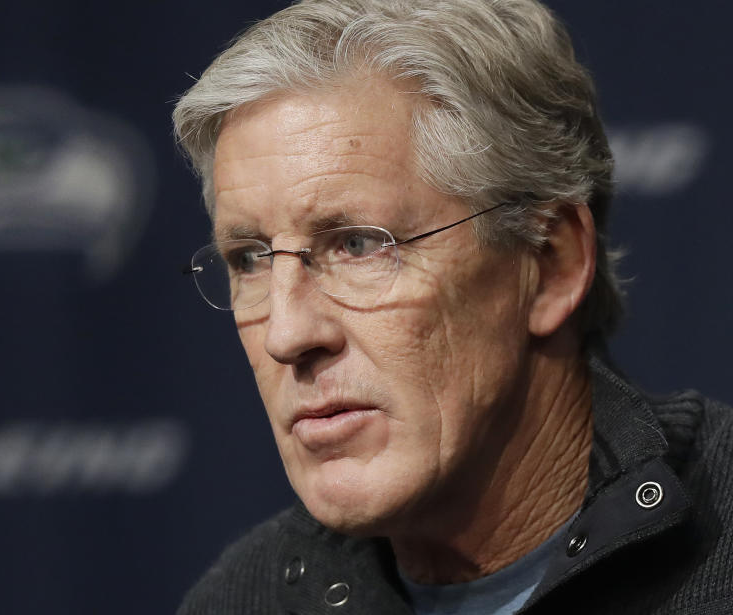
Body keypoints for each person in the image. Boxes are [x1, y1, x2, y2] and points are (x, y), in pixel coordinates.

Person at [172, 1, 733, 613]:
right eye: (250, 259)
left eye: (358, 245)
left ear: (550, 264)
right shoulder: (242, 599)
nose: (286, 333)